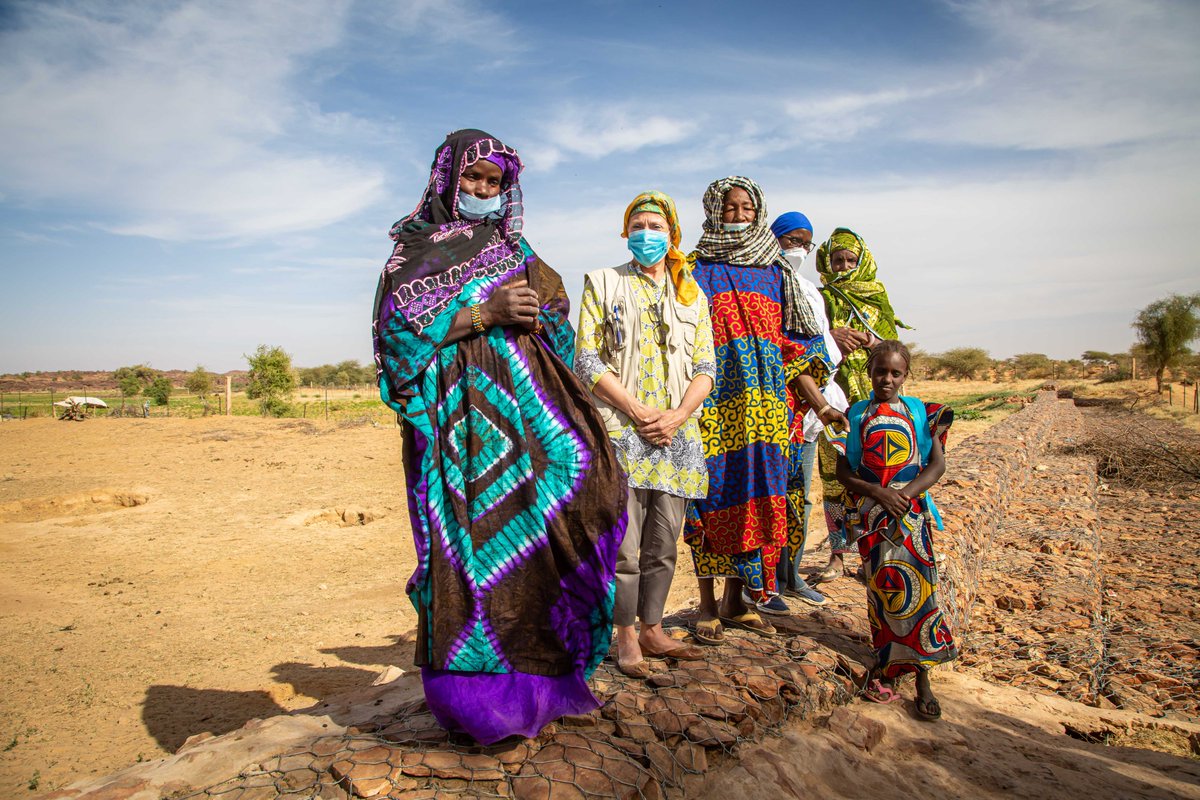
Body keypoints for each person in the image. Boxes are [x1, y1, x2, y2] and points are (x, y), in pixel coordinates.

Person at [372, 129, 626, 743]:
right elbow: (394, 340)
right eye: (473, 179)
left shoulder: (520, 249)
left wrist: (543, 312)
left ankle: (541, 693)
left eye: (495, 182)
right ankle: (471, 709)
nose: (483, 190)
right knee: (465, 565)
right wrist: (481, 315)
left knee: (549, 539)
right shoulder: (411, 252)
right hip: (453, 437)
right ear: (446, 177)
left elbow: (557, 322)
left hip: (528, 428)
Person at [684, 177, 847, 644]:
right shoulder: (693, 271)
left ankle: (737, 600)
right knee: (711, 500)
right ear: (714, 212)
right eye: (730, 208)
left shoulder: (778, 275)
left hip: (769, 413)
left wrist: (822, 406)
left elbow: (797, 352)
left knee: (757, 500)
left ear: (758, 214)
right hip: (712, 408)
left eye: (747, 209)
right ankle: (708, 604)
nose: (738, 216)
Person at [575, 191, 715, 677]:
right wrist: (635, 410)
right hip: (622, 431)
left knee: (664, 542)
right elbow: (587, 360)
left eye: (656, 226)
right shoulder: (603, 283)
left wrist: (677, 416)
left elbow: (705, 367)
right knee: (625, 546)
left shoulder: (692, 295)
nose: (647, 234)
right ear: (624, 232)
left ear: (673, 235)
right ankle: (627, 636)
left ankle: (653, 627)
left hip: (677, 436)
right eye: (638, 225)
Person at [834, 340, 956, 721]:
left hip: (910, 516)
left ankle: (923, 679)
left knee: (921, 595)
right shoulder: (854, 415)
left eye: (895, 373)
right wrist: (877, 493)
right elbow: (843, 472)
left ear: (906, 375)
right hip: (874, 518)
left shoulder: (922, 413)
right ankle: (887, 668)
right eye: (880, 371)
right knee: (882, 594)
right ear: (869, 371)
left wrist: (903, 495)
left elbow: (937, 465)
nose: (887, 378)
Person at [814, 228, 907, 584]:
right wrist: (832, 339)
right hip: (831, 403)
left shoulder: (876, 295)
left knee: (877, 478)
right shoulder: (819, 298)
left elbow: (893, 345)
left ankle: (872, 557)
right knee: (834, 482)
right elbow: (806, 342)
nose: (844, 267)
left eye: (851, 260)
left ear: (863, 262)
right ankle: (837, 556)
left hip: (873, 404)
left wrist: (869, 339)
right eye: (837, 260)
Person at [769, 211, 848, 606]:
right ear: (775, 239)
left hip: (815, 410)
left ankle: (792, 576)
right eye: (792, 240)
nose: (798, 249)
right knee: (775, 496)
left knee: (801, 495)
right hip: (785, 407)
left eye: (806, 242)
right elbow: (790, 353)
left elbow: (818, 345)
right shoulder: (769, 285)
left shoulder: (809, 291)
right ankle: (768, 584)